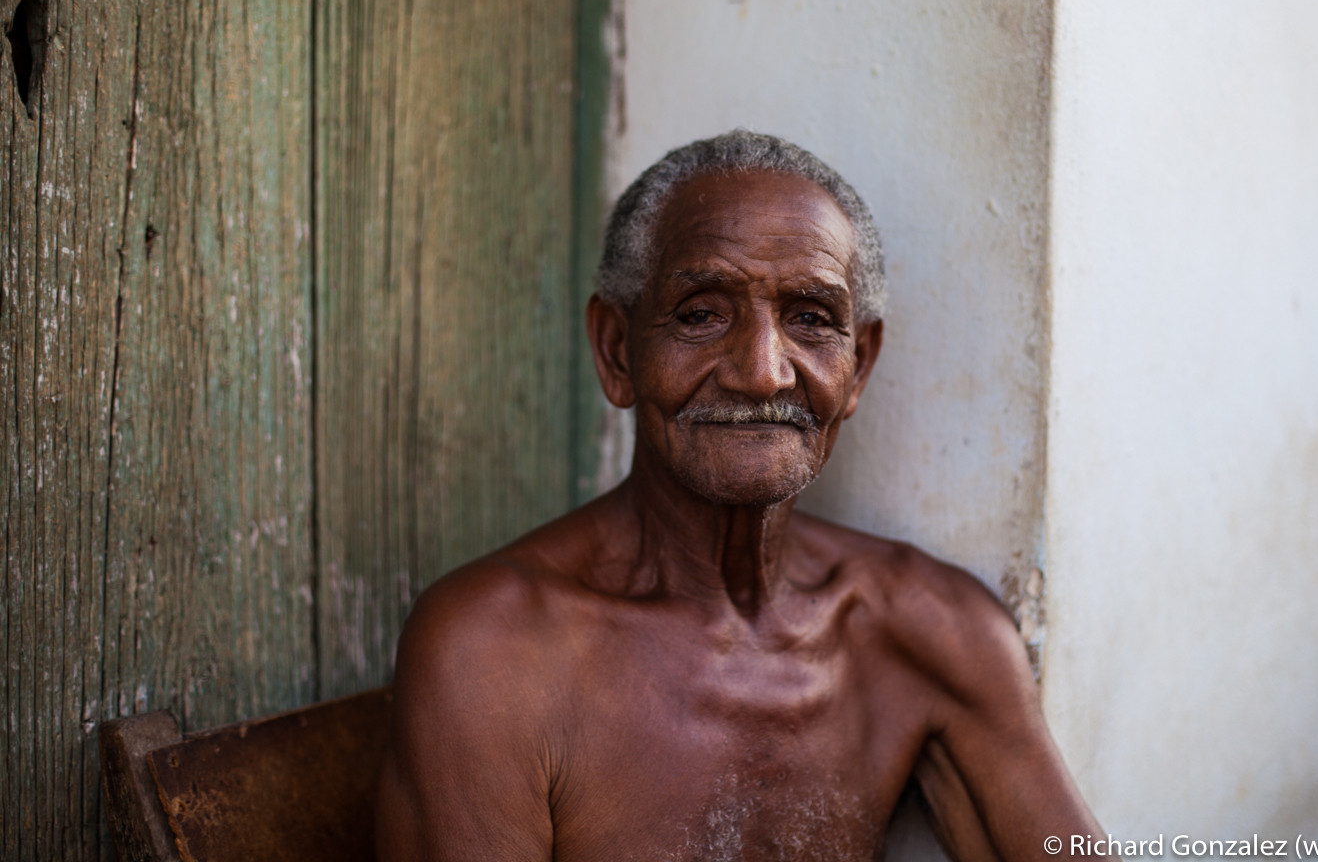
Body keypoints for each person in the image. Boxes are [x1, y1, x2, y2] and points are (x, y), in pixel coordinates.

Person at [376, 131, 1107, 861]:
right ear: (616, 350)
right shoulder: (496, 655)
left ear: (858, 368)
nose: (762, 373)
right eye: (701, 313)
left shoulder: (930, 632)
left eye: (811, 318)